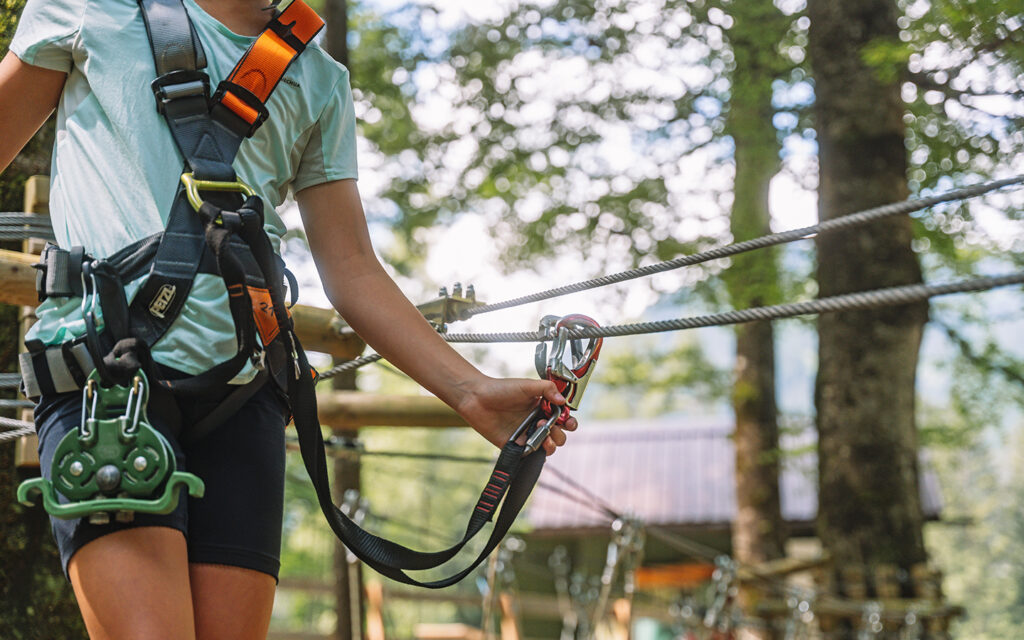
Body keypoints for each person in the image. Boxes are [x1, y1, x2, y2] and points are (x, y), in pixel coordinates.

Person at [0, 0, 577, 637]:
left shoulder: (316, 78)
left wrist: (470, 391)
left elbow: (352, 268)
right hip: (105, 378)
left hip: (243, 396)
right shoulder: (93, 9)